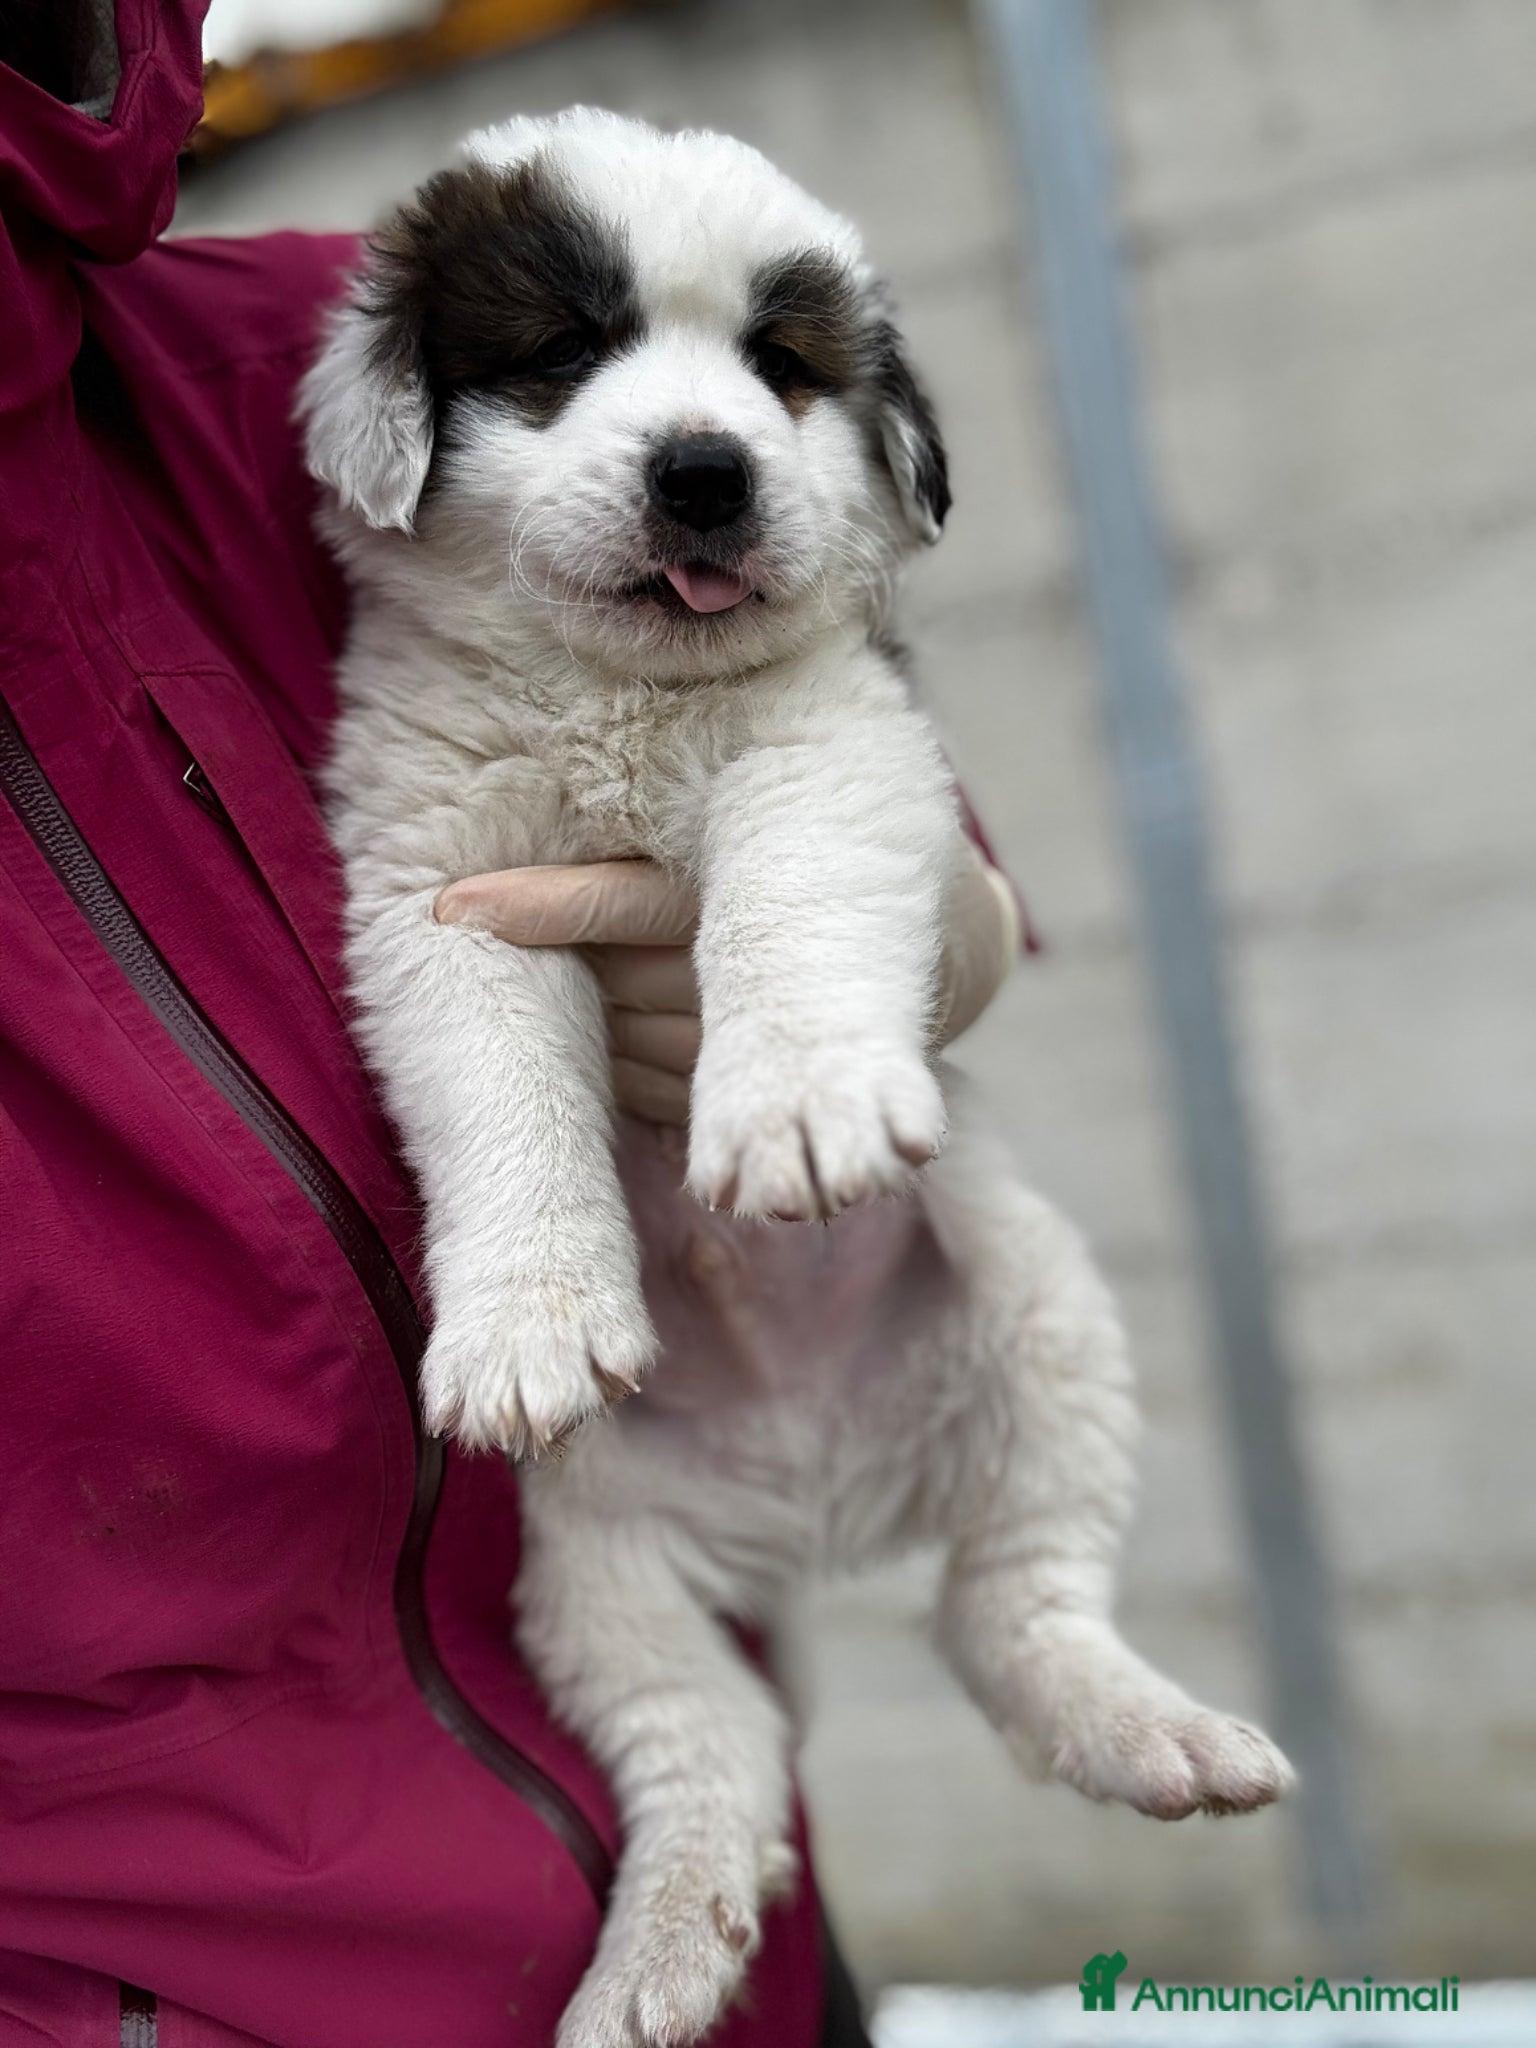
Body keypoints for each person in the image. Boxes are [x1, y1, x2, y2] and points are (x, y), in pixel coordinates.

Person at [0, 5, 1023, 2043]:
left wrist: (913, 938)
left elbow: (833, 722)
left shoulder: (261, 367)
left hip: (717, 1885)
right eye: (563, 370)